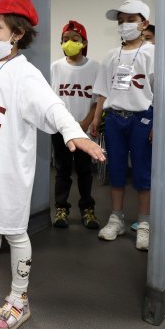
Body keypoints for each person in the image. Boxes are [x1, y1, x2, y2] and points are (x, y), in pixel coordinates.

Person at [0, 0, 105, 329]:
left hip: (9, 170)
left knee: (14, 232)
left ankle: (19, 299)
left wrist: (72, 132)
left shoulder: (26, 74)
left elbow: (51, 107)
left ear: (17, 33)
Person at [89, 0, 154, 250]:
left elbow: (160, 91)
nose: (125, 25)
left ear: (144, 23)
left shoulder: (153, 53)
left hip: (143, 118)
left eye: (130, 20)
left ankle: (145, 222)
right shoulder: (110, 55)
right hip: (115, 118)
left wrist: (157, 123)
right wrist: (96, 118)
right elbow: (103, 90)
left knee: (142, 172)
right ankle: (116, 218)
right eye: (121, 21)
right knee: (115, 169)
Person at [50, 20, 100, 229]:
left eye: (75, 39)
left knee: (85, 171)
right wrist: (65, 125)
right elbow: (51, 99)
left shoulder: (95, 67)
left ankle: (87, 209)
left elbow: (97, 100)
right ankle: (61, 208)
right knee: (62, 170)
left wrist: (85, 123)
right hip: (60, 130)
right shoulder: (55, 67)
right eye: (65, 39)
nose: (69, 42)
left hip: (84, 131)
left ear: (84, 42)